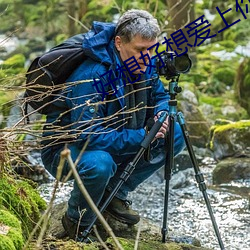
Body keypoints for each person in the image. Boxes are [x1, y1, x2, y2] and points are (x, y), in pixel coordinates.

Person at [41, 9, 185, 241]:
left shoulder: (143, 62)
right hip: (67, 150)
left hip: (117, 136)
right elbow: (87, 135)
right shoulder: (91, 75)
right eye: (141, 50)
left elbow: (159, 96)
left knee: (175, 132)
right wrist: (142, 135)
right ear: (119, 42)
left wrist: (161, 114)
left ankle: (115, 193)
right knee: (100, 164)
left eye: (152, 49)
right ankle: (76, 221)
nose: (147, 57)